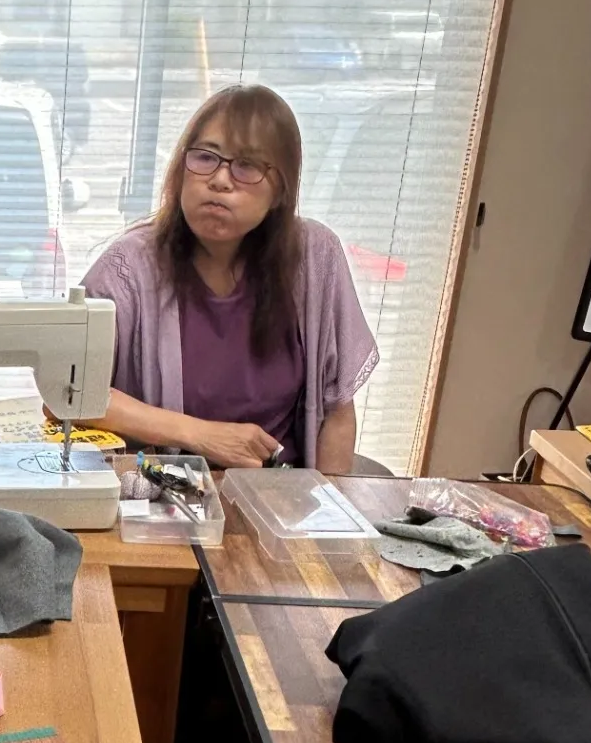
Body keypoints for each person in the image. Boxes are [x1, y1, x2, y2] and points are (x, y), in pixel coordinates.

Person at [83, 84, 377, 471]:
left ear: (280, 189)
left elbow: (337, 411)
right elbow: (69, 394)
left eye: (247, 166)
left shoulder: (315, 256)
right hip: (162, 491)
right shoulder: (128, 268)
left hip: (278, 491)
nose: (220, 180)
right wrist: (200, 435)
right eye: (205, 157)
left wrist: (325, 504)